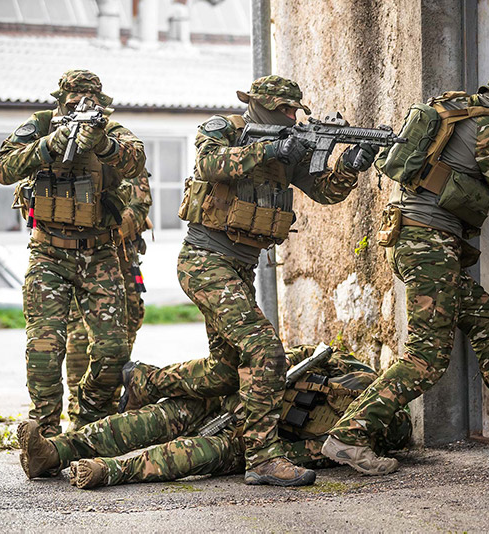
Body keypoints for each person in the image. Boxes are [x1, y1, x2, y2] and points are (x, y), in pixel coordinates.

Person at [119, 75, 378, 486]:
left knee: (225, 371)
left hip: (240, 268)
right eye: (285, 111)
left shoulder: (290, 148)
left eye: (296, 111)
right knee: (266, 353)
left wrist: (349, 165)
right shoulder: (223, 129)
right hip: (205, 261)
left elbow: (325, 192)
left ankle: (145, 381)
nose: (293, 116)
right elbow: (210, 164)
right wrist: (272, 147)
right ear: (261, 107)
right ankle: (261, 459)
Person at [322, 72, 489, 475]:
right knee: (426, 358)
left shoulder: (452, 111)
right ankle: (349, 436)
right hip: (430, 245)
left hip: (415, 240)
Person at [0, 69, 146, 437]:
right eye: (73, 102)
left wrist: (103, 144)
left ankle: (89, 418)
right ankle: (44, 433)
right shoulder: (42, 125)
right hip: (48, 253)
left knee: (113, 350)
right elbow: (2, 168)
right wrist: (51, 143)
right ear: (61, 100)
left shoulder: (111, 131)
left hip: (99, 254)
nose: (80, 107)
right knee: (45, 348)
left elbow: (136, 161)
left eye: (89, 102)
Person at [16, 345, 412, 489]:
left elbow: (305, 452)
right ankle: (52, 452)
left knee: (193, 453)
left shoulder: (356, 440)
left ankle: (109, 472)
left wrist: (256, 436)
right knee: (152, 420)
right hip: (233, 400)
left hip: (253, 444)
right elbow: (291, 354)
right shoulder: (347, 367)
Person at [64, 169, 152, 430]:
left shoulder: (125, 157)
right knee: (80, 334)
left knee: (126, 327)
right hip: (82, 258)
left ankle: (109, 403)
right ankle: (79, 410)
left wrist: (107, 225)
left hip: (122, 257)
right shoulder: (73, 158)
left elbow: (139, 206)